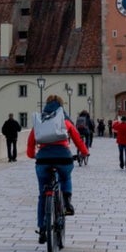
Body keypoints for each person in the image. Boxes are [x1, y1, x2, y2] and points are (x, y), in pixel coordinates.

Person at [26, 94, 88, 243]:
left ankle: (42, 228)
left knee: (42, 194)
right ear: (61, 107)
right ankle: (66, 202)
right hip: (63, 157)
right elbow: (77, 137)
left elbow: (30, 143)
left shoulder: (40, 122)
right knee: (65, 176)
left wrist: (32, 155)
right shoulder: (64, 120)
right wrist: (84, 152)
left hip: (43, 160)